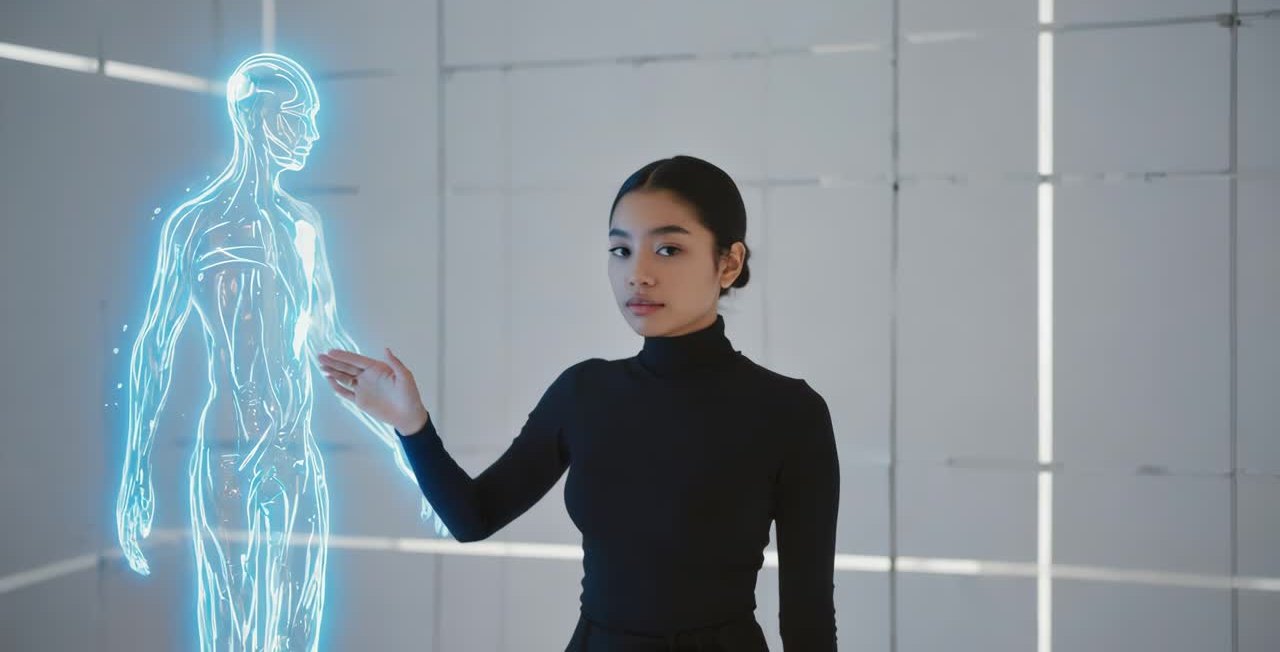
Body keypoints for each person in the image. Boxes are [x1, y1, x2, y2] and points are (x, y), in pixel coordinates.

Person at [319, 155, 840, 651]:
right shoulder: (584, 393)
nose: (637, 273)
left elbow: (807, 618)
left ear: (728, 263)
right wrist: (411, 423)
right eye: (621, 250)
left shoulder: (790, 413)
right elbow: (473, 518)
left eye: (667, 249)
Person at [115, 53, 443, 652]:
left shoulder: (302, 225)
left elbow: (327, 344)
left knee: (297, 631)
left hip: (294, 456)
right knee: (227, 629)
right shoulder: (195, 226)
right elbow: (154, 347)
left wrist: (406, 455)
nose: (312, 132)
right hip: (225, 456)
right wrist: (135, 470)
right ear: (256, 117)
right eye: (298, 116)